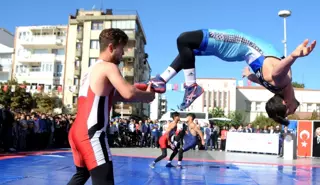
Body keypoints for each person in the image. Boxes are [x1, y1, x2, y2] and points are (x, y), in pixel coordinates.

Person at [135, 29, 316, 123]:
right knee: (189, 49)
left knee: (184, 40)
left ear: (284, 103)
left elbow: (277, 73)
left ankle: (191, 87)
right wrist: (249, 75)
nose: (293, 111)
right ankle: (163, 79)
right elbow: (268, 76)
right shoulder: (277, 85)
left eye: (290, 111)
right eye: (291, 111)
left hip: (237, 44)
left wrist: (293, 56)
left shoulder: (282, 83)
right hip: (236, 50)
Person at [67, 28, 155, 185]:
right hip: (91, 133)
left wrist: (142, 90)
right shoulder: (109, 67)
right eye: (122, 48)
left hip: (76, 132)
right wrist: (148, 96)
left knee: (81, 176)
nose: (123, 53)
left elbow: (115, 95)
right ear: (111, 47)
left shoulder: (91, 69)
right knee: (105, 181)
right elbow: (128, 92)